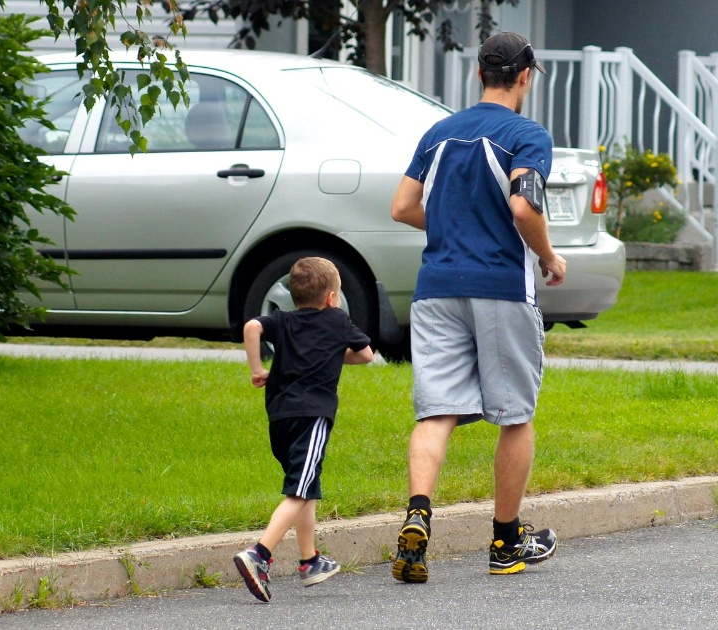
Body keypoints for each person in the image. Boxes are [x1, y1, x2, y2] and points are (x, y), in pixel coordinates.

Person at [388, 31, 566, 582]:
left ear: (479, 74)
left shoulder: (439, 132)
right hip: (500, 289)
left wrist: (451, 224)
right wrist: (550, 257)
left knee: (436, 411)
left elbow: (401, 207)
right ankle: (505, 543)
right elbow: (523, 205)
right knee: (515, 414)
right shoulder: (526, 135)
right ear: (524, 77)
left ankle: (417, 516)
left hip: (436, 288)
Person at [233, 256, 375, 602]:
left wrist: (256, 368)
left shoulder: (282, 320)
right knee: (298, 489)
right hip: (313, 417)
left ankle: (310, 560)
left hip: (279, 417)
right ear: (330, 298)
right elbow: (366, 354)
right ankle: (260, 554)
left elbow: (252, 327)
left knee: (307, 484)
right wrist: (331, 352)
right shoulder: (338, 320)